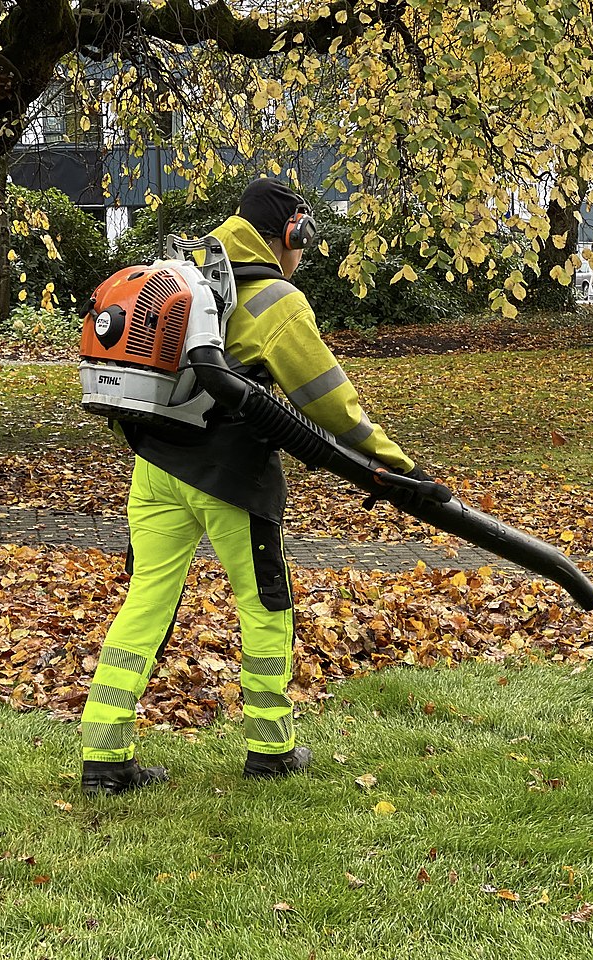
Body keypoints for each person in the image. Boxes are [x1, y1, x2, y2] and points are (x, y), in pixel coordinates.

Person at [79, 178, 428, 795]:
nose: (304, 256)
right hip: (232, 477)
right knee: (266, 604)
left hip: (156, 466)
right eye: (304, 241)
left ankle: (104, 754)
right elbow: (329, 401)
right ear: (289, 234)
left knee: (146, 604)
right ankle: (271, 746)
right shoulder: (274, 300)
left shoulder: (184, 273)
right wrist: (394, 464)